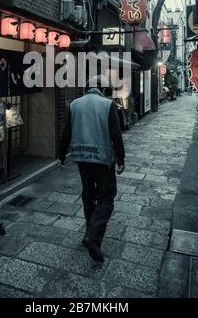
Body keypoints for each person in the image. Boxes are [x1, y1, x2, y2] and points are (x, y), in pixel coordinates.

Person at [58, 76, 125, 262]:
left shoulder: (74, 104)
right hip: (102, 159)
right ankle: (92, 237)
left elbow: (66, 132)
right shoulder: (107, 104)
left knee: (88, 196)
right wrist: (121, 158)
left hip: (81, 158)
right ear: (103, 89)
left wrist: (61, 155)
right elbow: (116, 134)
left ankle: (90, 232)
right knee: (106, 197)